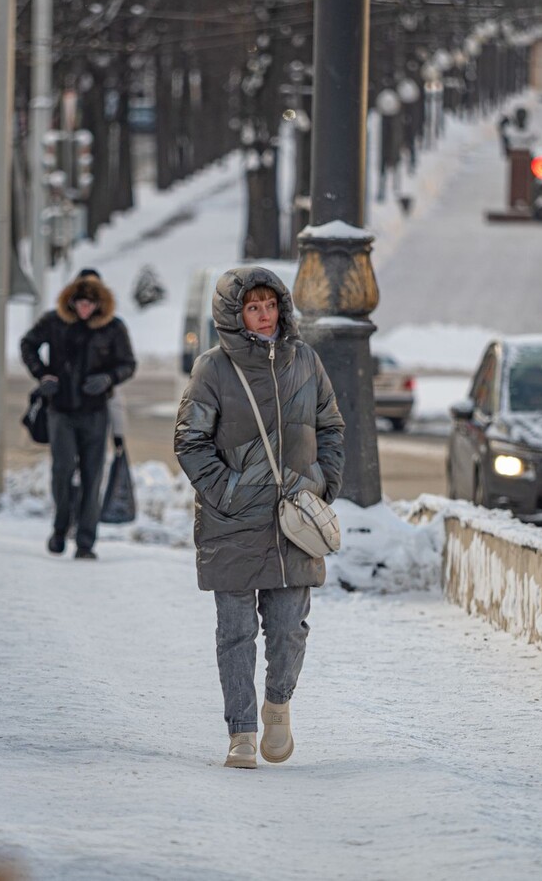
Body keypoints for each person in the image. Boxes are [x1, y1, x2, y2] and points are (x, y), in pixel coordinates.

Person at [175, 266, 345, 770]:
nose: (264, 315)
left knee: (290, 629)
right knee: (235, 632)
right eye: (253, 307)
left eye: (270, 305)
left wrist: (324, 483)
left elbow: (331, 425)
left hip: (295, 522)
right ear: (234, 314)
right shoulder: (213, 369)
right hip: (231, 524)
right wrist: (227, 491)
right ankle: (242, 732)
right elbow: (189, 440)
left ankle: (277, 705)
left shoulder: (306, 362)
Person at [19, 268, 136, 559]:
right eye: (80, 303)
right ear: (71, 301)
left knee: (91, 476)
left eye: (90, 304)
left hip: (95, 412)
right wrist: (43, 375)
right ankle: (60, 528)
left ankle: (86, 541)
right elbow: (28, 344)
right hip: (60, 410)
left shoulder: (113, 328)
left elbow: (128, 364)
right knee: (61, 470)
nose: (84, 309)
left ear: (99, 303)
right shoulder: (55, 322)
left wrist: (108, 379)